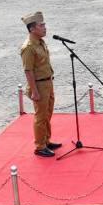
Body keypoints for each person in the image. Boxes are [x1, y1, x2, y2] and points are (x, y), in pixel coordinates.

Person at [20, 12, 61, 157]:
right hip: (38, 85)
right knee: (40, 116)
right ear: (32, 29)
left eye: (44, 25)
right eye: (41, 25)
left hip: (47, 82)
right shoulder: (29, 47)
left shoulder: (40, 42)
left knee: (47, 114)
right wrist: (34, 91)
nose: (45, 28)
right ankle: (39, 146)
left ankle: (46, 141)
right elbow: (28, 70)